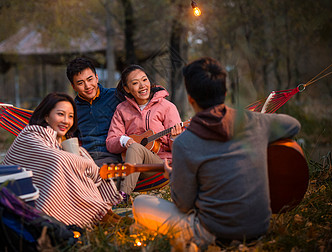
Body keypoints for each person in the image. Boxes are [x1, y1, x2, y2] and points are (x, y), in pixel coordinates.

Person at [132, 57, 301, 250]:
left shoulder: (185, 143)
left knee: (140, 203)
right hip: (258, 227)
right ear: (225, 92)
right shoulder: (255, 122)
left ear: (191, 99)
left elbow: (183, 205)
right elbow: (293, 125)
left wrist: (174, 176)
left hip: (212, 233)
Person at [2, 92, 122, 228]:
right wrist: (89, 166)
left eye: (70, 116)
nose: (66, 121)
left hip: (34, 195)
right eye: (60, 114)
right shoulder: (30, 135)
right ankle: (100, 216)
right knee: (63, 163)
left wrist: (80, 158)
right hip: (17, 201)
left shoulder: (58, 143)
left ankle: (103, 216)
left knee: (75, 163)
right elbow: (57, 160)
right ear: (46, 116)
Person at [106, 64, 183, 197]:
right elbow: (111, 142)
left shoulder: (167, 107)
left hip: (160, 167)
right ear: (127, 89)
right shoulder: (121, 110)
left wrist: (175, 138)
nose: (142, 86)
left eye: (144, 80)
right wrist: (124, 140)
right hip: (133, 166)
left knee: (135, 148)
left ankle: (122, 196)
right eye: (135, 83)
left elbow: (179, 150)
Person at [66, 57, 123, 167]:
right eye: (80, 83)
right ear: (73, 87)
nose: (87, 86)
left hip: (116, 156)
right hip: (87, 158)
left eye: (90, 79)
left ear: (97, 78)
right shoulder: (72, 109)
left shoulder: (115, 96)